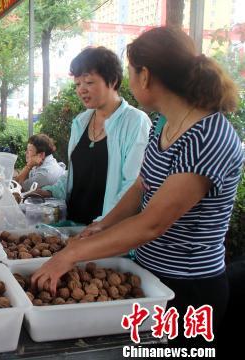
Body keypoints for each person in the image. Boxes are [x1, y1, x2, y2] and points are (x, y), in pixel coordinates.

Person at [31, 27, 241, 350]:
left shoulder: (208, 135)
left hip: (188, 291)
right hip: (147, 278)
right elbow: (142, 186)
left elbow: (152, 222)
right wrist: (102, 225)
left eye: (130, 73)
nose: (129, 81)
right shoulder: (164, 123)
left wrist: (71, 254)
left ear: (146, 76)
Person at [36, 46, 151, 225]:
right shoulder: (80, 122)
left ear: (112, 81)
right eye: (77, 84)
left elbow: (132, 186)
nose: (81, 90)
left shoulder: (135, 122)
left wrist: (101, 225)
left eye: (89, 82)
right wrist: (49, 191)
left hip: (107, 233)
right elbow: (76, 174)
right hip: (72, 228)